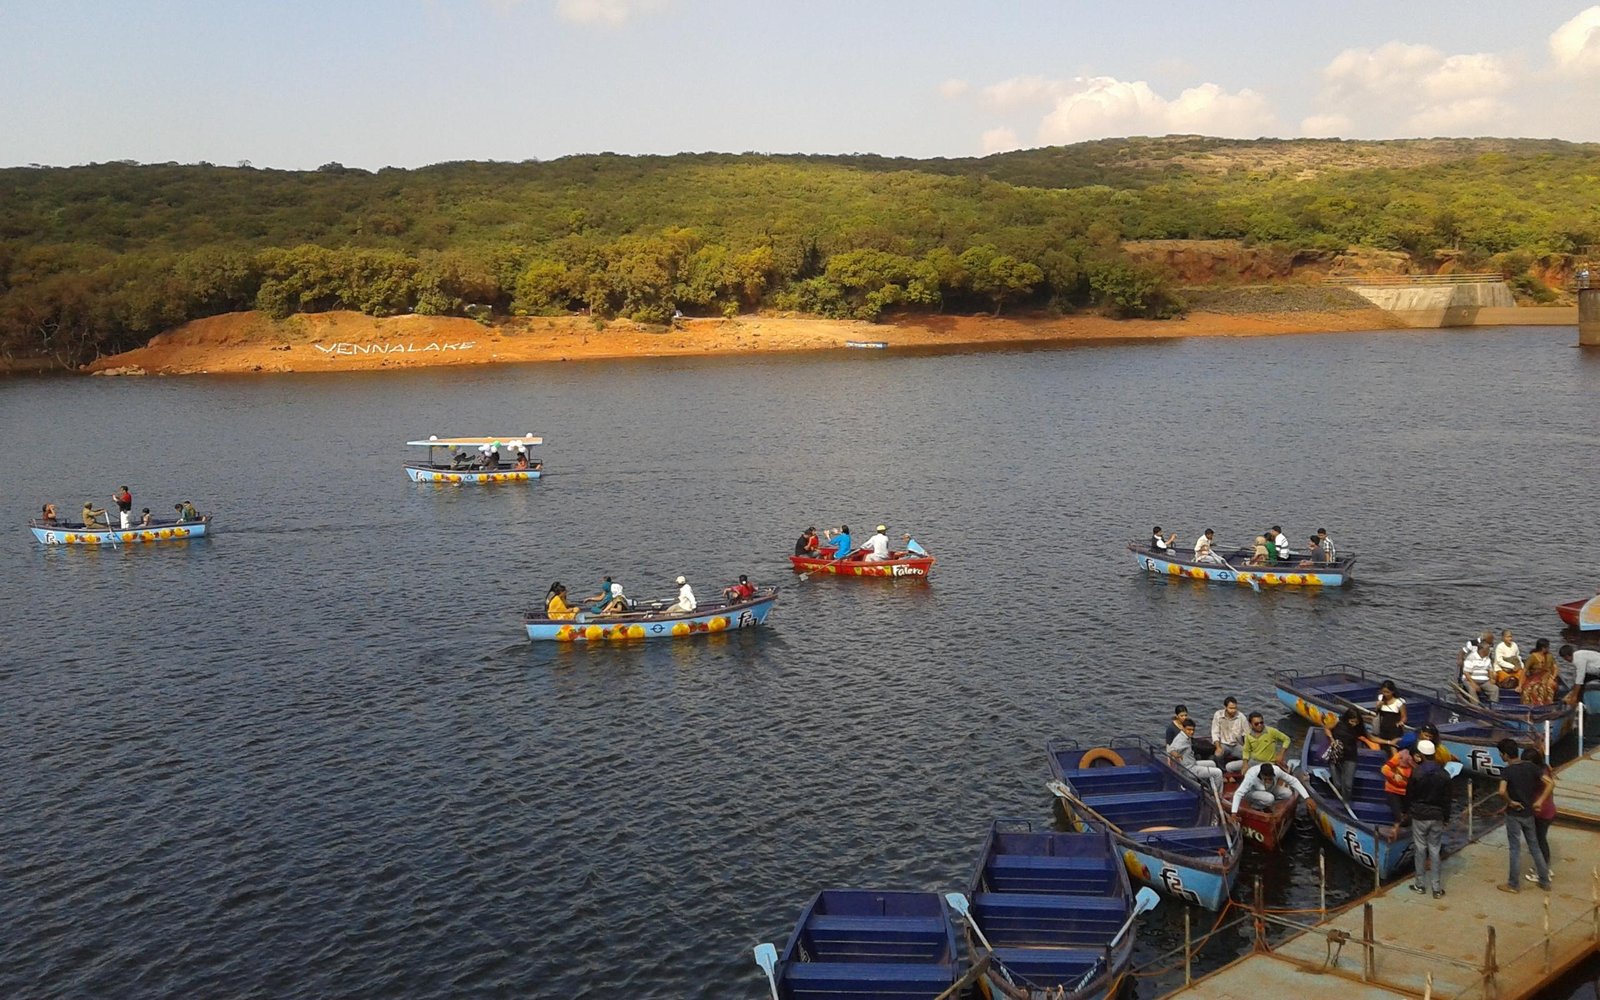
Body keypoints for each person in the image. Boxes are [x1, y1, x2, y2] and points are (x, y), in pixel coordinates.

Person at [1498, 742, 1553, 892]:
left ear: (1506, 755)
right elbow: (1550, 783)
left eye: (1501, 754)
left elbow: (1501, 791)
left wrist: (1510, 802)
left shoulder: (1507, 771)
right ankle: (1544, 881)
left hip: (1514, 814)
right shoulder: (1532, 767)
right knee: (1535, 847)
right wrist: (1539, 801)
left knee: (1515, 849)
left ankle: (1513, 884)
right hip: (1529, 813)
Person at [1406, 739, 1453, 898]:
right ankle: (1436, 888)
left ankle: (1420, 884)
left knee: (1420, 849)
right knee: (1435, 849)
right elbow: (1447, 799)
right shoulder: (1444, 774)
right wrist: (1446, 817)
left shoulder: (1416, 773)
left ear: (1421, 755)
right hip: (1437, 815)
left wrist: (1408, 812)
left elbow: (1409, 795)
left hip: (1419, 815)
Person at [1323, 708, 1369, 802]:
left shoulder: (1358, 728)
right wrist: (1332, 740)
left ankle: (1346, 801)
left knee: (1347, 785)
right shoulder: (1338, 721)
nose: (1354, 724)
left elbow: (1371, 737)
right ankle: (1339, 798)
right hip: (1336, 755)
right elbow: (1327, 728)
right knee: (1338, 784)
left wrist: (1388, 742)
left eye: (1356, 722)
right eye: (1352, 721)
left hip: (1350, 757)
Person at [1526, 748, 1557, 882]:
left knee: (1539, 841)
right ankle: (1543, 866)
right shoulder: (1545, 768)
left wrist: (1539, 801)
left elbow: (1551, 784)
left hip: (1542, 812)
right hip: (1548, 810)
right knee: (1540, 839)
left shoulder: (1539, 773)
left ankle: (1542, 871)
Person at [1168, 718, 1223, 793]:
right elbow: (1171, 750)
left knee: (1212, 763)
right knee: (1218, 772)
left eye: (1193, 730)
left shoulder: (1185, 736)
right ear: (1183, 728)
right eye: (1189, 730)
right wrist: (1176, 755)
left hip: (1192, 763)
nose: (1191, 732)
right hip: (1189, 770)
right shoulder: (1181, 740)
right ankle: (1217, 795)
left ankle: (1209, 786)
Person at [1230, 761, 1308, 813]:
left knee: (1288, 793)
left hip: (1269, 789)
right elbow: (1239, 793)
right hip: (1252, 793)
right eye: (1266, 779)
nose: (1268, 780)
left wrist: (1307, 797)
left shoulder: (1277, 770)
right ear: (1261, 775)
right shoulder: (1251, 775)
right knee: (1269, 798)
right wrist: (1234, 812)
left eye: (1270, 778)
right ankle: (1256, 806)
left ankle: (1267, 803)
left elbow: (1293, 781)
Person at [1380, 746, 1415, 841]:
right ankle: (1394, 832)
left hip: (1408, 791)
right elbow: (1384, 769)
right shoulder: (1399, 757)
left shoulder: (1419, 763)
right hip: (1392, 789)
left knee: (1409, 813)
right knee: (1398, 814)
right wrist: (1394, 775)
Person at [1211, 697, 1248, 772]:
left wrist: (1246, 748)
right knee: (1218, 755)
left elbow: (1247, 734)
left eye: (1235, 708)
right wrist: (1218, 747)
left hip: (1237, 745)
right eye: (1231, 708)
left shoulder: (1241, 717)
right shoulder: (1218, 715)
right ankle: (1223, 772)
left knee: (1250, 757)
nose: (1233, 710)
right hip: (1223, 744)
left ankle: (1236, 769)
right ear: (1225, 707)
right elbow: (1215, 732)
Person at [1460, 637, 1499, 704]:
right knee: (1472, 689)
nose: (1489, 651)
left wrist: (1491, 679)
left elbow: (1489, 670)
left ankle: (1493, 705)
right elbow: (1466, 673)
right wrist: (1473, 684)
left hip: (1484, 681)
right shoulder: (1471, 657)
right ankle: (1476, 705)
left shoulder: (1487, 659)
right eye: (1487, 649)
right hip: (1471, 680)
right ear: (1482, 650)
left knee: (1495, 689)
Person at [1521, 638, 1560, 706]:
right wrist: (1519, 685)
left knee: (1548, 686)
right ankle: (1531, 706)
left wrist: (1553, 678)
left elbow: (1556, 668)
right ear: (1543, 648)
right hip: (1535, 678)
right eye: (1548, 647)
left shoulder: (1549, 656)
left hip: (1547, 677)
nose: (1549, 648)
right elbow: (1524, 671)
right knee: (1530, 688)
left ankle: (1547, 705)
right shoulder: (1532, 657)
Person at [1374, 680, 1407, 744]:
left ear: (1392, 692)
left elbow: (1404, 717)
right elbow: (1377, 712)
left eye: (1387, 692)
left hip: (1394, 730)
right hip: (1383, 727)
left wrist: (1401, 722)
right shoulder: (1380, 698)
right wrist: (1378, 706)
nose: (1385, 694)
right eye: (1384, 692)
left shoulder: (1399, 702)